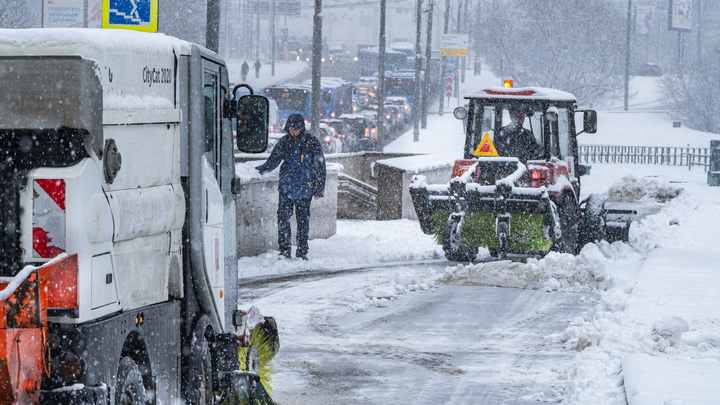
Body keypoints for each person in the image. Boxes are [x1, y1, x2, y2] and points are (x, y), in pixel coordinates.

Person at [256, 114, 326, 260]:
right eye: (290, 129)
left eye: (295, 129)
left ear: (301, 128)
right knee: (283, 218)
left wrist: (319, 189)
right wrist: (263, 169)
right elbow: (274, 159)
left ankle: (302, 252)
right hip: (286, 187)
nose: (292, 132)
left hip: (305, 189)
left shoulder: (311, 142)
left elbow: (320, 166)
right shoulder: (285, 141)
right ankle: (284, 250)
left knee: (303, 221)